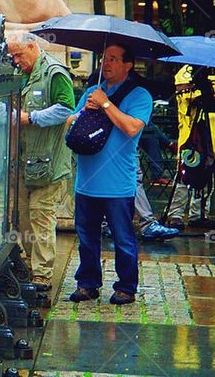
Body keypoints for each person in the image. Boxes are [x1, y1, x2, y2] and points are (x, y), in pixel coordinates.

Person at [67, 44, 151, 306]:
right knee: (86, 238)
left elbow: (131, 127)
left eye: (114, 59)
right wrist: (85, 110)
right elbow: (71, 121)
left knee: (123, 238)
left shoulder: (139, 96)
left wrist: (105, 104)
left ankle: (126, 286)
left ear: (128, 65)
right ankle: (88, 283)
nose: (107, 63)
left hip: (117, 184)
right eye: (105, 58)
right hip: (87, 181)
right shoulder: (93, 91)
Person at [7, 32, 75, 292]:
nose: (16, 60)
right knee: (23, 217)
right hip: (25, 161)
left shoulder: (55, 73)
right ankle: (29, 264)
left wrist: (32, 117)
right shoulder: (20, 74)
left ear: (33, 47)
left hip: (49, 163)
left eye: (19, 54)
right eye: (13, 55)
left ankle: (43, 274)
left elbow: (66, 108)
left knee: (41, 216)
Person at [165, 65, 215, 228]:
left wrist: (208, 91)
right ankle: (175, 215)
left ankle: (199, 215)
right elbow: (182, 92)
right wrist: (205, 90)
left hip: (214, 136)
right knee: (184, 175)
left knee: (209, 177)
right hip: (190, 135)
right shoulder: (186, 70)